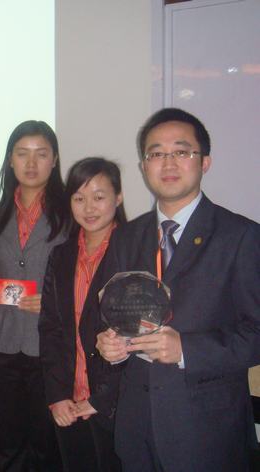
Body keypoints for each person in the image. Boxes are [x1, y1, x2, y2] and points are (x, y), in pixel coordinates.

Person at [96, 108, 260, 471]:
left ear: (205, 162)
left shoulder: (241, 236)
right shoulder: (126, 237)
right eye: (156, 153)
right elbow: (111, 314)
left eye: (181, 151)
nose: (168, 162)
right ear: (144, 166)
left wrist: (187, 350)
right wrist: (112, 346)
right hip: (138, 423)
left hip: (207, 429)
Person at [0, 120, 66, 471]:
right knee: (9, 441)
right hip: (0, 345)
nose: (31, 163)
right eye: (22, 153)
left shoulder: (71, 215)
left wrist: (55, 304)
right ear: (10, 160)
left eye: (41, 154)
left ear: (55, 160)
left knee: (48, 444)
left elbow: (84, 281)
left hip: (49, 347)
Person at [39, 157, 125, 471]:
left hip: (116, 403)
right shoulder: (61, 255)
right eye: (79, 198)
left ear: (118, 197)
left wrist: (100, 400)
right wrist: (57, 394)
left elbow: (140, 336)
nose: (89, 208)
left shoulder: (133, 253)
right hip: (69, 399)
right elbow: (50, 327)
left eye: (99, 197)